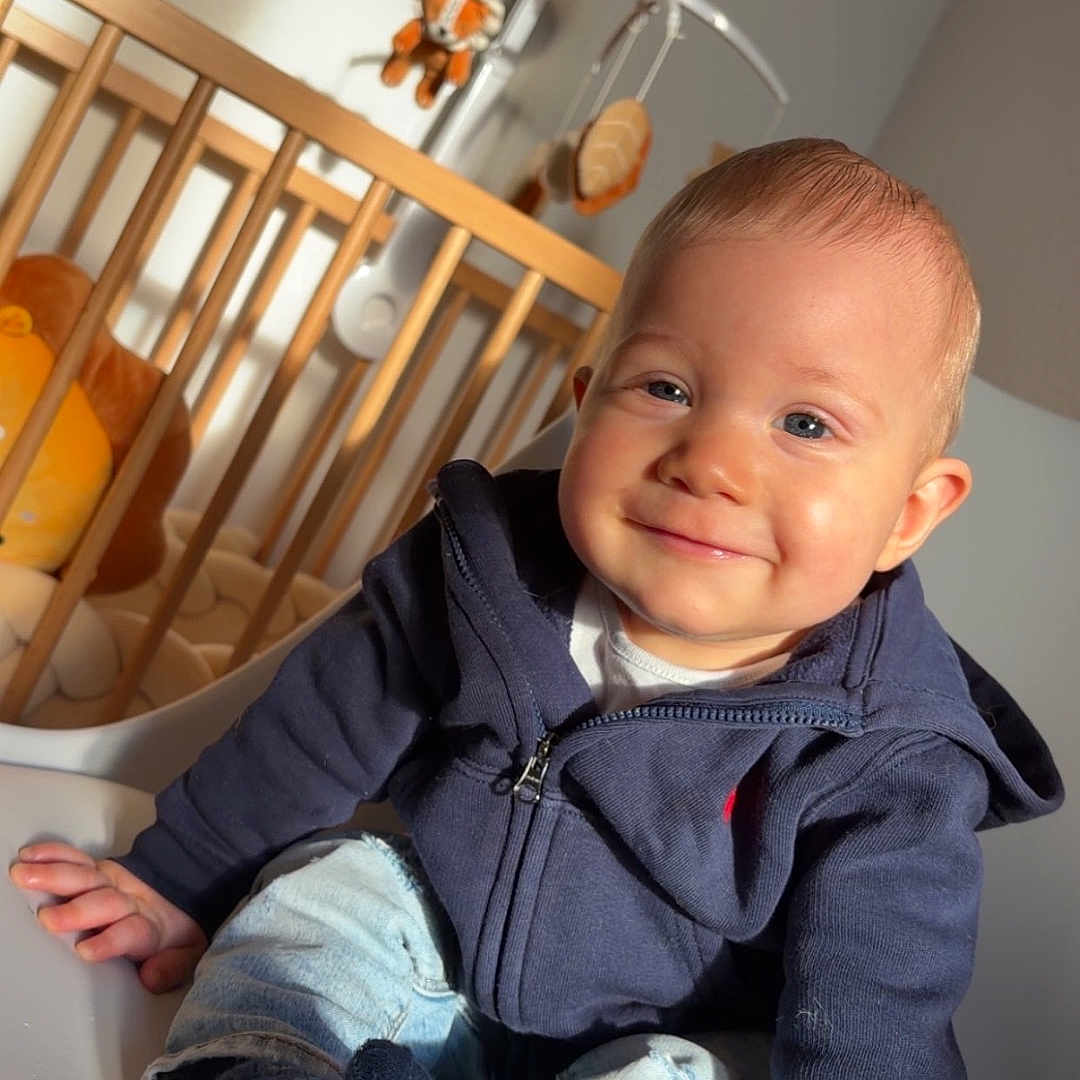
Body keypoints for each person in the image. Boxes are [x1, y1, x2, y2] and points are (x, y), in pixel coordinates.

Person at [10, 138, 1063, 1080]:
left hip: (671, 1029)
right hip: (432, 938)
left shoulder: (891, 754)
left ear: (911, 515)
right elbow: (316, 728)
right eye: (666, 389)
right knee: (327, 901)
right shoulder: (483, 574)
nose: (712, 463)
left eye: (805, 423)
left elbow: (876, 1003)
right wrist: (178, 879)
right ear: (583, 400)